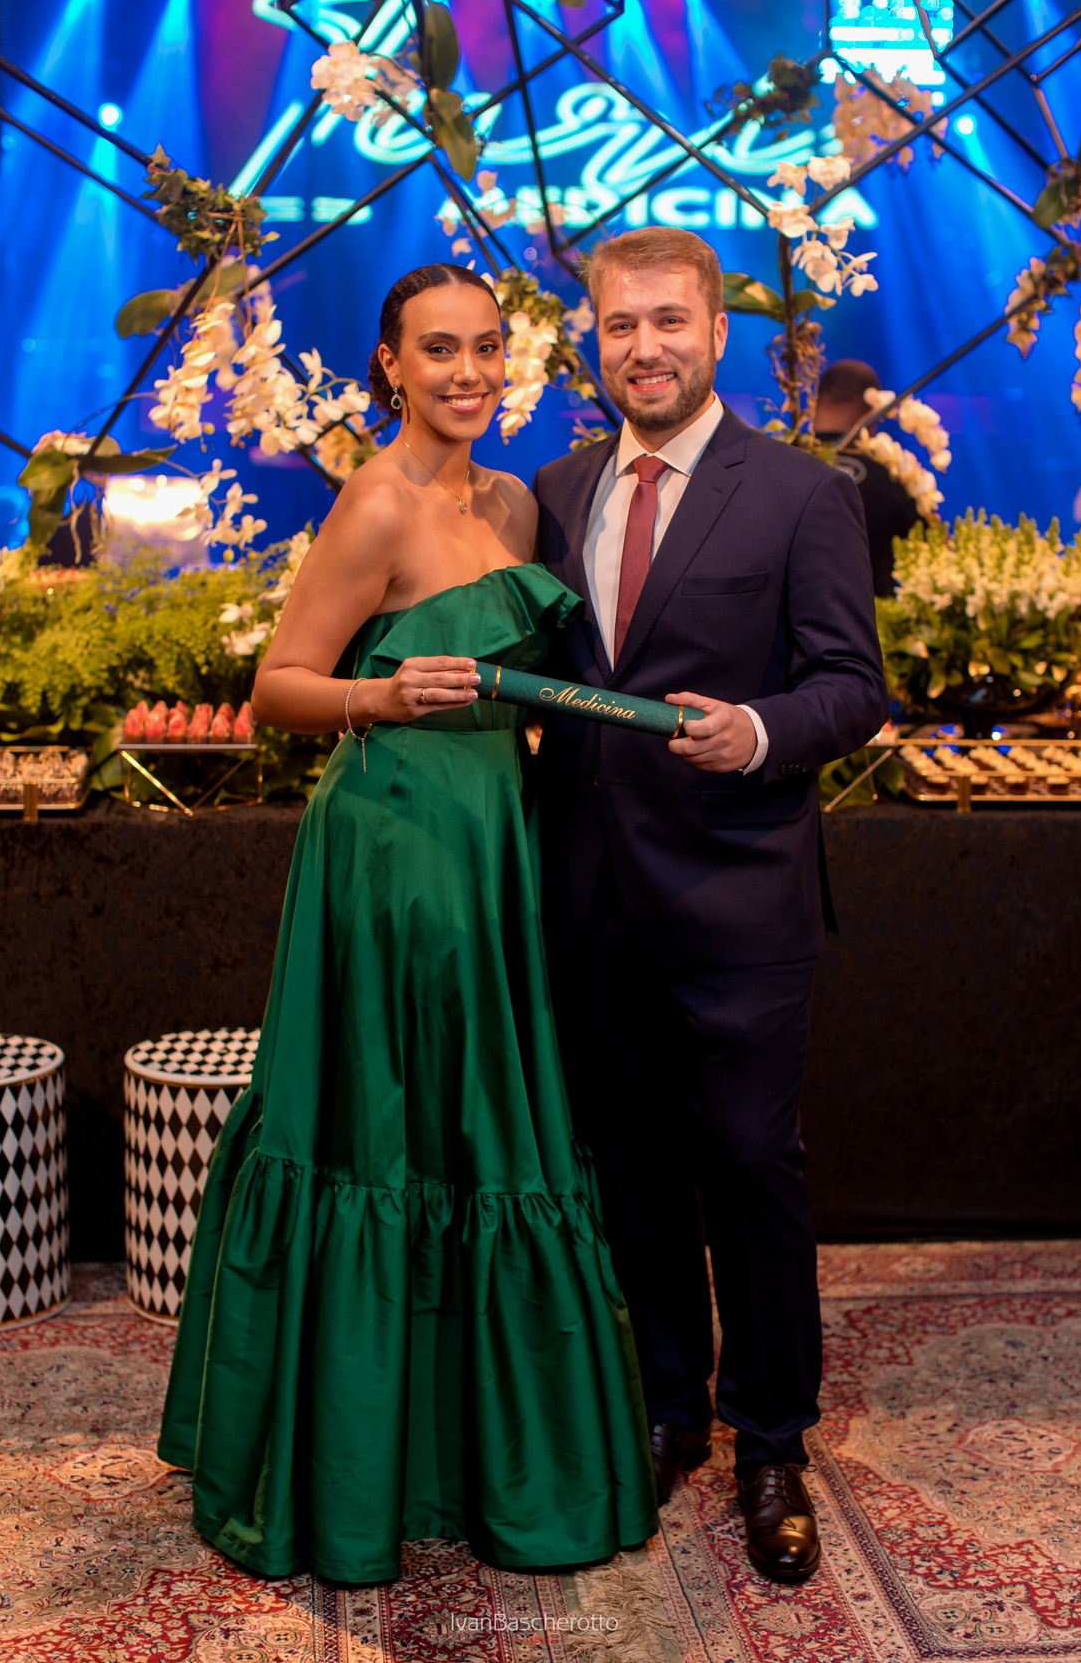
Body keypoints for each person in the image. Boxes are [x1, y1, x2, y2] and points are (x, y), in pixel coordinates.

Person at [158, 263, 658, 1584]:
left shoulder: (515, 500)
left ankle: (477, 1454)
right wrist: (381, 697)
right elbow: (277, 688)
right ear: (390, 364)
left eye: (487, 348)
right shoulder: (374, 501)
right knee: (391, 1129)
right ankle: (356, 1462)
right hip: (393, 850)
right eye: (439, 350)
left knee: (482, 1127)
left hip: (496, 841)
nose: (469, 372)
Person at [534, 229, 888, 1584]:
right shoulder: (557, 490)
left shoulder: (801, 494)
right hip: (591, 897)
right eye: (620, 326)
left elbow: (852, 687)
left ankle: (771, 1441)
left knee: (749, 1168)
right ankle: (670, 1404)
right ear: (594, 338)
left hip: (739, 900)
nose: (645, 348)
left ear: (717, 332)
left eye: (668, 322)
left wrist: (758, 729)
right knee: (632, 1169)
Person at [812, 358, 921, 598]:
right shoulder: (895, 477)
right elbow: (925, 557)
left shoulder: (778, 468)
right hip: (878, 617)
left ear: (815, 402)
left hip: (791, 619)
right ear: (875, 411)